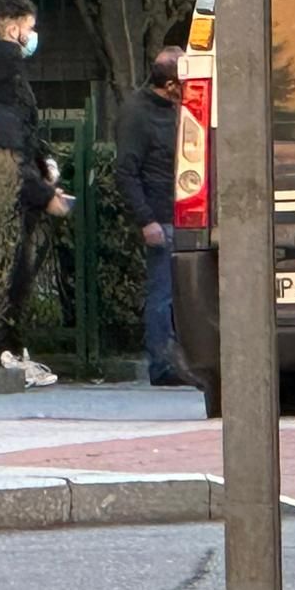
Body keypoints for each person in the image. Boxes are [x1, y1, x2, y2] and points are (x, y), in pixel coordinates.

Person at [0, 0, 71, 388]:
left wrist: (43, 162)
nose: (33, 36)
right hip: (11, 192)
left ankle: (10, 350)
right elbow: (11, 139)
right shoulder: (4, 68)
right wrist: (42, 191)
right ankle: (7, 352)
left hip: (11, 183)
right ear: (13, 27)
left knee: (13, 271)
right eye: (30, 27)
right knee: (13, 274)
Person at [114, 47, 185, 386]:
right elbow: (126, 171)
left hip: (177, 213)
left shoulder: (167, 109)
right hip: (161, 215)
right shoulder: (138, 115)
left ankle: (173, 360)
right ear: (170, 85)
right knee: (163, 293)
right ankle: (162, 364)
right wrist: (146, 219)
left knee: (172, 293)